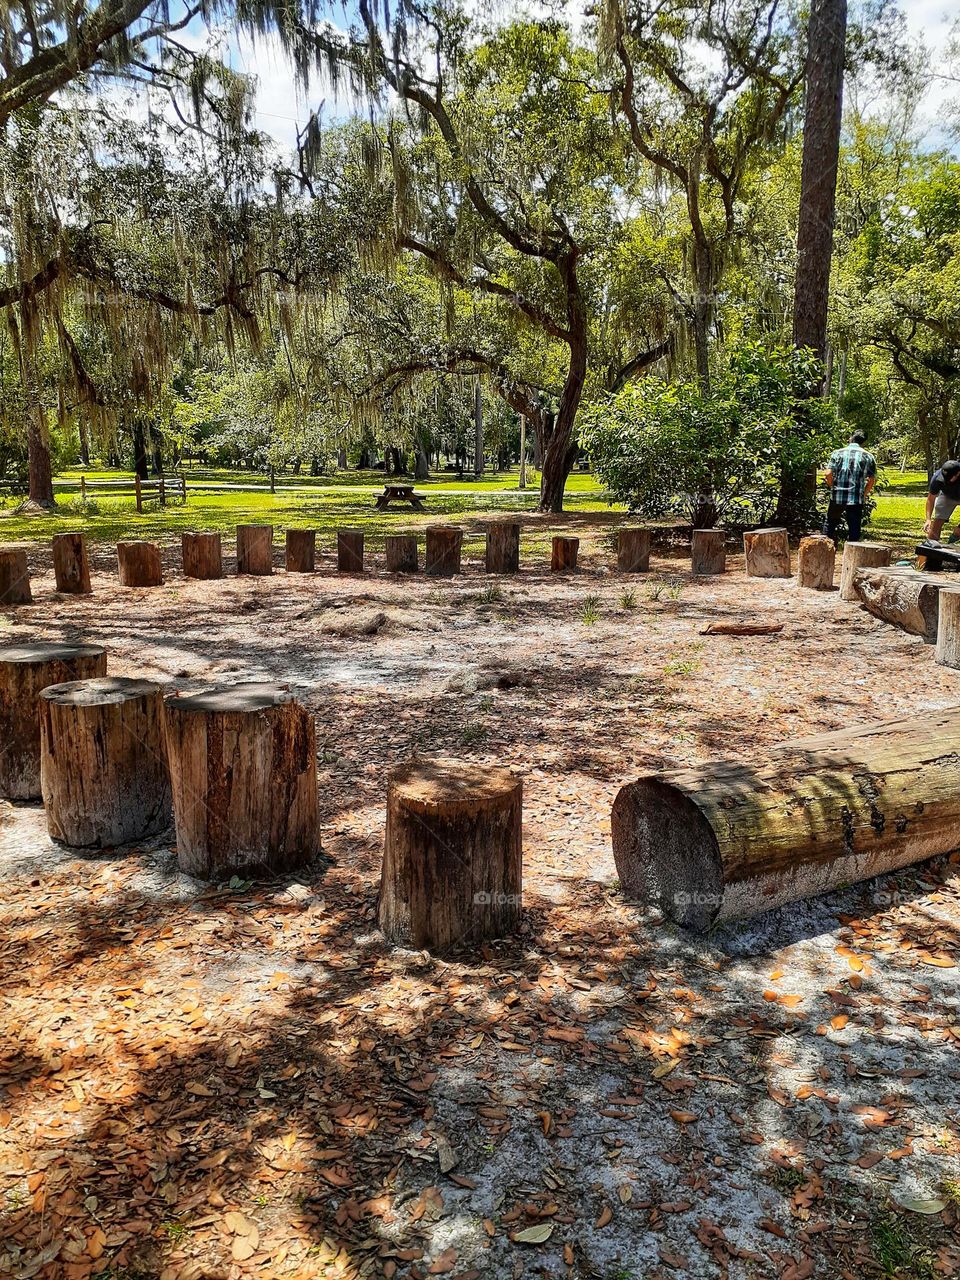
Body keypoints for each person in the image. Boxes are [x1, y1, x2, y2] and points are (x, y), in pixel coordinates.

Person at [822, 431, 877, 544]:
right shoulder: (869, 456)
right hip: (856, 498)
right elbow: (871, 480)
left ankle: (823, 549)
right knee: (854, 527)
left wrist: (833, 486)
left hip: (837, 496)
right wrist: (864, 494)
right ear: (864, 442)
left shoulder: (837, 453)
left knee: (830, 524)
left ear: (851, 438)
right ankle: (853, 555)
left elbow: (827, 474)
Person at [924, 460, 960, 544]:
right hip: (947, 496)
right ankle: (928, 553)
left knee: (959, 531)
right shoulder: (937, 477)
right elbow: (930, 499)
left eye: (950, 478)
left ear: (958, 474)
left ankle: (954, 537)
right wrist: (928, 519)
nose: (946, 480)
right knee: (934, 528)